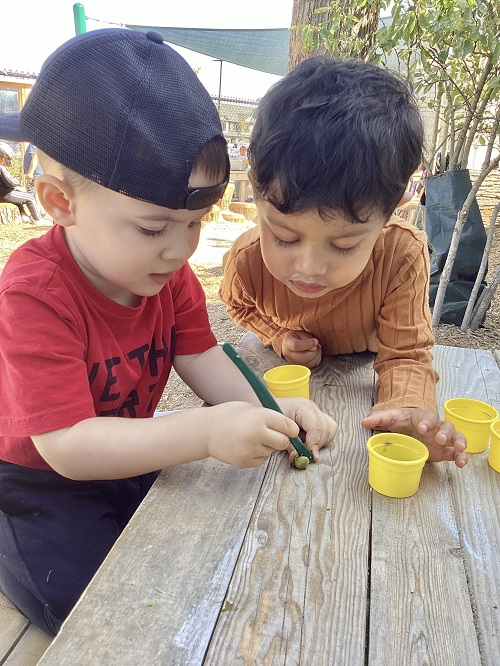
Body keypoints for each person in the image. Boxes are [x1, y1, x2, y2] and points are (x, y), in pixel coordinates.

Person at [0, 30, 337, 635]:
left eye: (194, 224)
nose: (180, 249)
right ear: (58, 201)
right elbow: (67, 446)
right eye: (153, 227)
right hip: (39, 483)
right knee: (110, 609)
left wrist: (273, 408)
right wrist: (205, 431)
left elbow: (203, 356)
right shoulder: (33, 292)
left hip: (125, 449)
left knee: (203, 557)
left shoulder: (166, 275)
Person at [219, 56, 467, 469]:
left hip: (361, 372)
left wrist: (407, 410)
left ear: (391, 211)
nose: (310, 266)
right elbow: (237, 304)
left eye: (345, 244)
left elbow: (406, 354)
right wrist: (279, 335)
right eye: (283, 236)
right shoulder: (246, 262)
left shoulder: (400, 256)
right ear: (257, 192)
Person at [0, 141, 42, 222]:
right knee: (29, 197)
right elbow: (10, 182)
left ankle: (24, 215)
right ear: (2, 157)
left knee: (19, 197)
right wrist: (18, 182)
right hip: (5, 194)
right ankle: (38, 219)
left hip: (2, 193)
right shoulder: (1, 168)